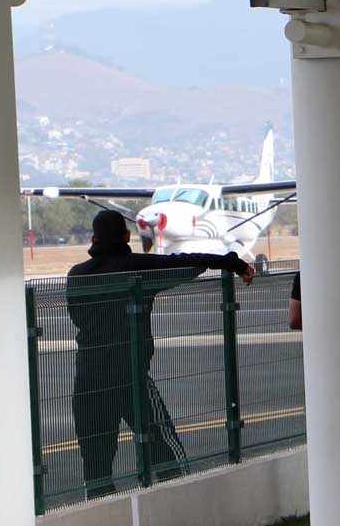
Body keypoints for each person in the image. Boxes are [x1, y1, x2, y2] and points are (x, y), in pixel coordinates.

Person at [67, 210, 255, 499]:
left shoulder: (76, 275)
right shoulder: (138, 267)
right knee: (164, 451)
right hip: (130, 373)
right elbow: (188, 262)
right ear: (127, 237)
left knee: (96, 464)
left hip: (88, 376)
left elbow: (77, 317)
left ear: (93, 239)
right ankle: (180, 505)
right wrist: (233, 262)